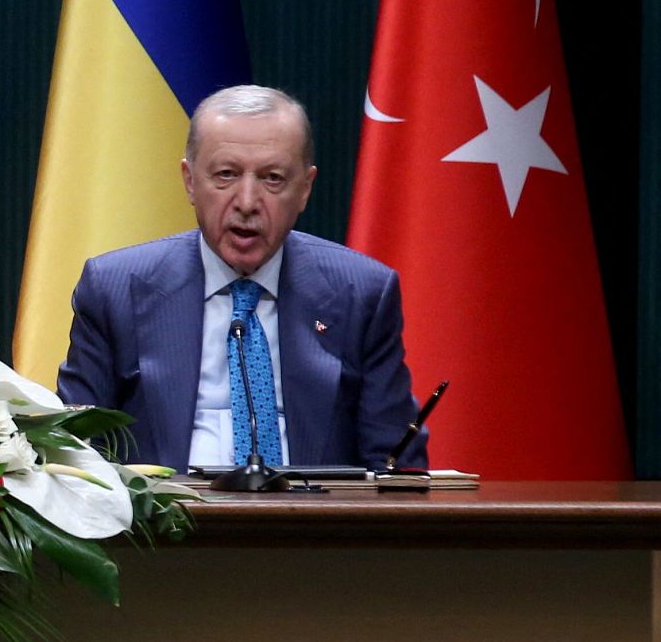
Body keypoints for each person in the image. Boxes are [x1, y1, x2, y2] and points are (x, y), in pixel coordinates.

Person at [57, 85, 427, 471]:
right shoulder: (115, 289)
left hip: (315, 524)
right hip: (166, 524)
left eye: (272, 179)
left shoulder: (361, 293)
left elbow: (397, 467)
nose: (247, 202)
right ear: (189, 181)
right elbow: (74, 452)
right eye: (226, 175)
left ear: (305, 189)